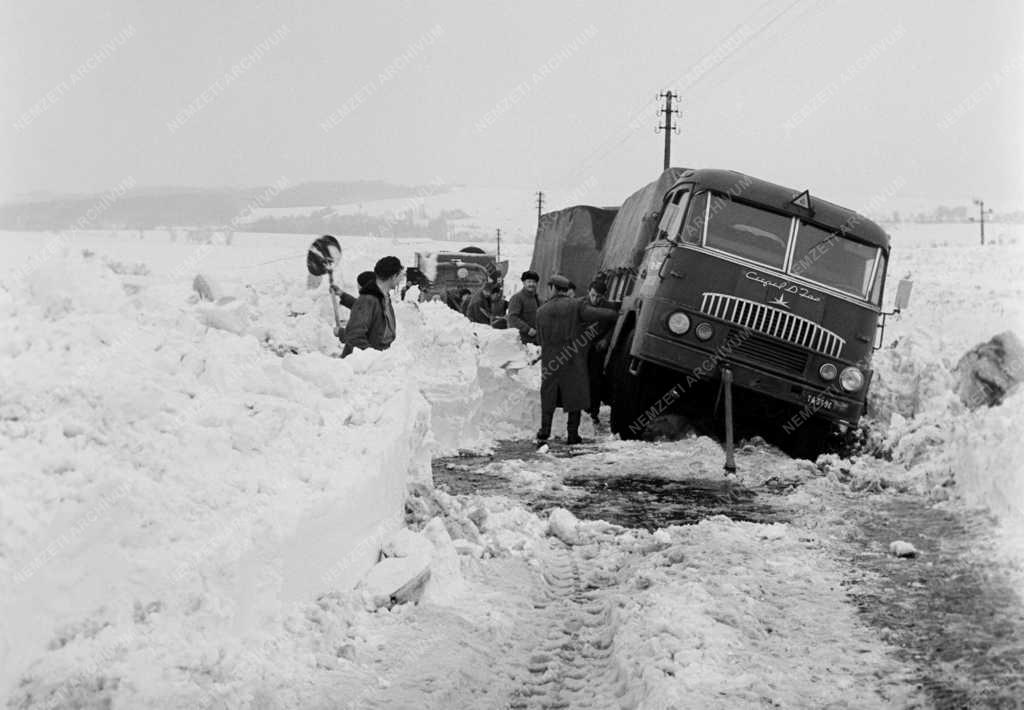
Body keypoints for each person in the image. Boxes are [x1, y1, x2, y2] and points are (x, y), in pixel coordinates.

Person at [535, 274, 618, 446]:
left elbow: (539, 339)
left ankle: (545, 431)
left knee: (549, 394)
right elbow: (599, 314)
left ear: (552, 288)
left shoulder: (540, 311)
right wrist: (616, 312)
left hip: (551, 359)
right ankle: (572, 434)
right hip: (573, 358)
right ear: (565, 290)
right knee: (574, 394)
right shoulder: (577, 306)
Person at [341, 256, 403, 357]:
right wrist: (373, 357)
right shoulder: (368, 299)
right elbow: (354, 336)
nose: (401, 280)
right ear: (393, 276)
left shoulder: (384, 297)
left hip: (380, 355)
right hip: (365, 365)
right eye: (400, 275)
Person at [581, 279, 614, 427]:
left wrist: (606, 339)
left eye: (599, 297)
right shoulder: (580, 304)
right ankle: (579, 411)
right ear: (588, 291)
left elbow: (614, 325)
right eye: (593, 295)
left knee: (595, 380)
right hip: (580, 348)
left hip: (597, 349)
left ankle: (593, 413)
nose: (595, 299)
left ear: (604, 296)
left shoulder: (609, 308)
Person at [507, 270, 543, 344]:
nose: (531, 284)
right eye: (529, 282)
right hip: (522, 341)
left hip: (536, 339)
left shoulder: (537, 298)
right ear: (523, 283)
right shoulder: (517, 298)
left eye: (534, 282)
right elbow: (512, 318)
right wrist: (527, 329)